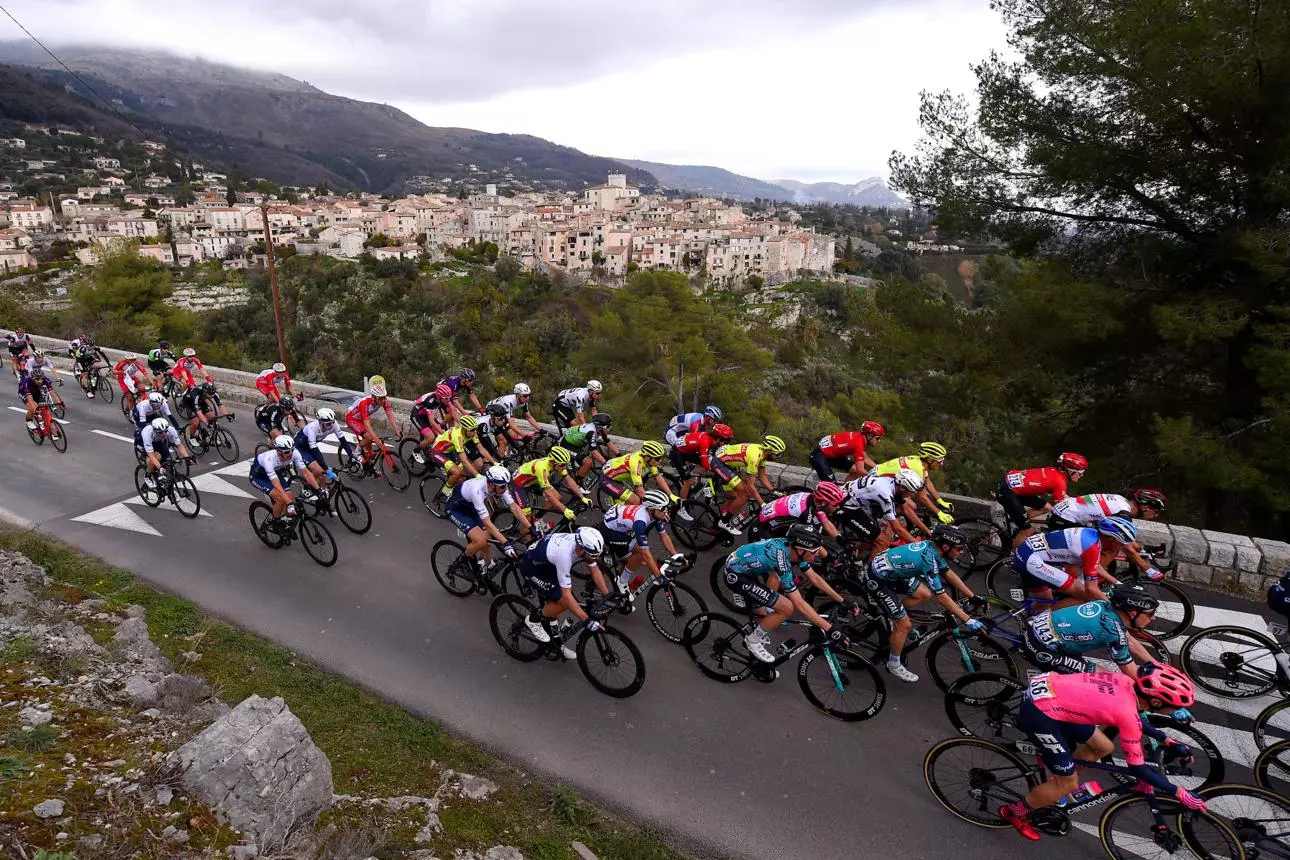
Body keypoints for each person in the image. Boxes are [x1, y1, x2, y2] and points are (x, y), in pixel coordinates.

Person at [1001, 663, 1205, 841]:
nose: (1174, 711)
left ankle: (1057, 782)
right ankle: (1015, 811)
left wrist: (1167, 740)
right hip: (1040, 713)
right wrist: (1179, 793)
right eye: (1174, 707)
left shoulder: (1126, 682)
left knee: (1103, 747)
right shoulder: (1127, 712)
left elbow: (1135, 719)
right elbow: (1138, 769)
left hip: (1051, 694)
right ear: (1156, 702)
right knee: (1068, 783)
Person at [862, 525, 983, 682]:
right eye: (959, 548)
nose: (962, 552)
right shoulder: (928, 561)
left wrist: (972, 596)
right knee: (905, 625)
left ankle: (893, 617)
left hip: (892, 571)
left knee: (924, 594)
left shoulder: (933, 549)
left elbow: (948, 573)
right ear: (946, 547)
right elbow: (942, 598)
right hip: (878, 580)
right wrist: (968, 620)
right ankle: (894, 664)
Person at [721, 524, 849, 665]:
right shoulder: (781, 560)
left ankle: (757, 636)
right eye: (814, 552)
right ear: (801, 549)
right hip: (736, 575)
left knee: (765, 613)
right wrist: (829, 628)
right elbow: (798, 603)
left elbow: (814, 578)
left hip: (746, 568)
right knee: (787, 607)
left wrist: (841, 600)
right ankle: (752, 641)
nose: (817, 555)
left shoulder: (794, 550)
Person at [1021, 583, 1161, 678]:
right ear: (1132, 613)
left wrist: (1157, 665)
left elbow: (1130, 641)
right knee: (1110, 679)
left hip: (1038, 630)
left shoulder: (1105, 605)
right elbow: (1131, 672)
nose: (1154, 618)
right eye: (1150, 614)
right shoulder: (1112, 632)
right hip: (1043, 649)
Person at [520, 527, 611, 660]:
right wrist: (586, 620)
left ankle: (556, 641)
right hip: (533, 568)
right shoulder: (565, 555)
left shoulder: (582, 545)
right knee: (563, 602)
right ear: (580, 548)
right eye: (591, 555)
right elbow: (567, 597)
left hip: (549, 563)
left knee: (558, 601)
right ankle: (533, 619)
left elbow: (595, 570)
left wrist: (608, 596)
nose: (594, 559)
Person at [1010, 516, 1138, 604]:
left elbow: (1095, 566)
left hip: (1028, 552)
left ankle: (1030, 625)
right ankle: (1053, 625)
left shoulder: (1092, 534)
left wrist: (1118, 584)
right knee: (1086, 596)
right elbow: (1091, 589)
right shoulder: (1091, 547)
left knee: (1045, 602)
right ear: (1111, 539)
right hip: (1031, 559)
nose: (1123, 547)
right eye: (1122, 543)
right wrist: (1111, 606)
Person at [1048, 489, 1168, 580]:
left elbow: (1128, 539)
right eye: (1156, 512)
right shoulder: (1122, 513)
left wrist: (1141, 549)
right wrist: (1148, 570)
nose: (1156, 516)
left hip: (1063, 512)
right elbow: (1126, 546)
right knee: (1110, 549)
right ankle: (1082, 581)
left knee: (1106, 541)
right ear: (1146, 508)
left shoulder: (1121, 501)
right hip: (1064, 519)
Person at [599, 489, 683, 606]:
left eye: (666, 507)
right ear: (651, 510)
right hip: (609, 531)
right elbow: (645, 554)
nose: (666, 511)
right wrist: (658, 576)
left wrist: (676, 556)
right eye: (663, 509)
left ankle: (623, 567)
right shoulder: (640, 521)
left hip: (620, 523)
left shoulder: (654, 514)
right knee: (639, 553)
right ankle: (622, 582)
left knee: (634, 556)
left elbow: (664, 535)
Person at [446, 465, 530, 575]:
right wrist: (505, 544)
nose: (505, 489)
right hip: (456, 509)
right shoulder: (477, 490)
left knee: (487, 536)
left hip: (472, 507)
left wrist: (530, 527)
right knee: (481, 540)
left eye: (506, 485)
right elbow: (487, 523)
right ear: (491, 484)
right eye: (503, 486)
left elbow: (514, 507)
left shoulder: (499, 486)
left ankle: (486, 563)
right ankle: (460, 563)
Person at [997, 453, 1088, 545]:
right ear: (1070, 471)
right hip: (1008, 492)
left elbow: (1062, 495)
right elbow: (1060, 508)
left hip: (1009, 482)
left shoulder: (1054, 471)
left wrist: (1077, 502)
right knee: (1028, 531)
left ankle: (1016, 520)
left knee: (1047, 507)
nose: (1081, 475)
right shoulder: (1060, 482)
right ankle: (1012, 554)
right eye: (1080, 473)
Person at [838, 468, 932, 551]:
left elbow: (906, 510)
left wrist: (927, 530)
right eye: (911, 492)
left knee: (875, 535)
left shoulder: (892, 483)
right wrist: (919, 546)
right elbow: (897, 528)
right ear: (902, 488)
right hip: (844, 507)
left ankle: (857, 559)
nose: (912, 495)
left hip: (849, 499)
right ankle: (868, 566)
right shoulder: (885, 494)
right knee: (883, 542)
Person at [714, 435, 787, 535]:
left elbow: (762, 475)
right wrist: (763, 504)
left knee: (734, 495)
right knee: (744, 494)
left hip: (727, 461)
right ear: (769, 451)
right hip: (719, 463)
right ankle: (724, 521)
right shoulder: (754, 457)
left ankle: (723, 514)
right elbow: (750, 486)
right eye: (777, 454)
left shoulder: (762, 454)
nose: (778, 456)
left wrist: (773, 490)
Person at [249, 434, 324, 522]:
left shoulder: (295, 453)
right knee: (281, 499)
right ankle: (276, 522)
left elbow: (306, 473)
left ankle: (286, 519)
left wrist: (318, 489)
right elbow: (277, 485)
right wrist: (288, 502)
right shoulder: (269, 460)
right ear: (278, 451)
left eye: (292, 450)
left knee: (290, 497)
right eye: (287, 452)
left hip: (276, 473)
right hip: (259, 477)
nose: (291, 453)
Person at [873, 442, 953, 524]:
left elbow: (927, 482)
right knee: (911, 505)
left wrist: (940, 501)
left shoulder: (919, 461)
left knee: (907, 499)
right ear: (930, 460)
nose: (941, 464)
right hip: (876, 482)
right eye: (939, 461)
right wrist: (939, 513)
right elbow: (922, 498)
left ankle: (886, 516)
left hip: (879, 479)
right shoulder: (917, 469)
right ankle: (882, 518)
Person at [673, 421, 737, 519]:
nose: (725, 444)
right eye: (725, 441)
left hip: (688, 451)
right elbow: (704, 461)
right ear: (718, 439)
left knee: (712, 464)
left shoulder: (712, 440)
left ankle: (697, 483)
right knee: (689, 481)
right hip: (677, 453)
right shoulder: (705, 441)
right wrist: (716, 471)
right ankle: (680, 508)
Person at [512, 446, 589, 522]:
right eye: (562, 465)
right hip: (519, 484)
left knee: (557, 497)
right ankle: (528, 526)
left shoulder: (557, 464)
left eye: (566, 464)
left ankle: (536, 519)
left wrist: (582, 498)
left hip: (533, 481)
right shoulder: (542, 468)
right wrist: (565, 510)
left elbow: (569, 480)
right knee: (527, 519)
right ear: (552, 462)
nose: (565, 467)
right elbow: (549, 494)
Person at [750, 480, 847, 541]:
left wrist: (842, 541)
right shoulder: (805, 513)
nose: (838, 507)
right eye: (835, 504)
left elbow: (825, 521)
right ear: (823, 503)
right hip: (762, 531)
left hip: (772, 523)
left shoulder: (811, 498)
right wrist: (828, 557)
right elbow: (813, 543)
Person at [430, 413, 495, 489]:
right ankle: (446, 490)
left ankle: (455, 489)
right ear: (464, 429)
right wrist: (477, 475)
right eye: (472, 430)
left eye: (475, 429)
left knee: (463, 475)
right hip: (438, 452)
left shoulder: (472, 433)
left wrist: (495, 462)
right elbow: (464, 460)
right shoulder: (457, 437)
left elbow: (481, 449)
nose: (475, 432)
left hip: (451, 452)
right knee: (457, 472)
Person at [293, 407, 353, 489]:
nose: (331, 426)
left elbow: (343, 442)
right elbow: (315, 451)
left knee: (322, 475)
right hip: (300, 446)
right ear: (320, 422)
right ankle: (306, 488)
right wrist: (327, 469)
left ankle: (323, 492)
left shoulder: (333, 425)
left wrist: (352, 457)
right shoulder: (312, 428)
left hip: (311, 446)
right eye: (328, 424)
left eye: (332, 422)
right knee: (318, 470)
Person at [600, 441, 673, 507]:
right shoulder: (636, 464)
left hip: (614, 474)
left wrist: (671, 495)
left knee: (639, 499)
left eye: (660, 458)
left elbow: (658, 477)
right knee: (637, 501)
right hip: (607, 479)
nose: (660, 461)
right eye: (657, 459)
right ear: (647, 457)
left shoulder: (648, 459)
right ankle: (615, 512)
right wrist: (656, 505)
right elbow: (640, 491)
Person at [344, 381, 399, 467]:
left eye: (384, 397)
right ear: (373, 398)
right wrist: (377, 442)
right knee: (369, 437)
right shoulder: (364, 403)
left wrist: (397, 430)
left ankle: (369, 465)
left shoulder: (383, 401)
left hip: (362, 419)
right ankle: (356, 453)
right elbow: (367, 424)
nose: (383, 400)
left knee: (370, 451)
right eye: (381, 398)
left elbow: (389, 414)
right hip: (352, 419)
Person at [558, 413, 619, 487]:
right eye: (607, 427)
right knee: (588, 462)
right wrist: (607, 464)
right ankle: (577, 485)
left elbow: (608, 442)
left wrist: (620, 455)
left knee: (584, 461)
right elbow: (594, 453)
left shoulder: (599, 430)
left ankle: (577, 471)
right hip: (567, 445)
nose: (609, 429)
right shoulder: (591, 432)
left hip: (575, 443)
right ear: (600, 427)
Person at [809, 422, 885, 481]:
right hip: (819, 457)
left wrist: (880, 468)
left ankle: (845, 491)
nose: (879, 441)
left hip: (829, 454)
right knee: (832, 490)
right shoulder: (858, 444)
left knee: (854, 471)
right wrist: (876, 478)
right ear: (869, 436)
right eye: (877, 438)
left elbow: (865, 458)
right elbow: (860, 470)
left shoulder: (860, 437)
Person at [140, 416, 193, 484]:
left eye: (165, 431)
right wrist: (160, 468)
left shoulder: (171, 430)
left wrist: (187, 457)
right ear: (155, 431)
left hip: (159, 440)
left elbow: (179, 445)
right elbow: (151, 456)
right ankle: (148, 475)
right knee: (157, 457)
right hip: (147, 441)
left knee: (167, 461)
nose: (164, 434)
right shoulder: (147, 434)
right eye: (160, 432)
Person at [409, 383, 456, 456]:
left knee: (438, 434)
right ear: (439, 397)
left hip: (426, 414)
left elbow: (453, 412)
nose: (448, 400)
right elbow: (432, 422)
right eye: (446, 398)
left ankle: (430, 450)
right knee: (431, 438)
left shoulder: (444, 399)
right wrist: (444, 433)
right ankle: (415, 452)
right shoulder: (430, 401)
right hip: (417, 415)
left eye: (449, 397)